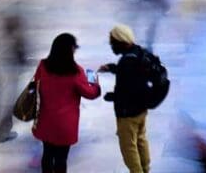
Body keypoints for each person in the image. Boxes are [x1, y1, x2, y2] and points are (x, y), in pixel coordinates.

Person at [32, 33, 101, 173]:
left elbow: (35, 84)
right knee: (61, 159)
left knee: (47, 154)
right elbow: (90, 93)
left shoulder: (43, 65)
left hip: (45, 120)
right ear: (70, 49)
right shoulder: (75, 72)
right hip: (65, 125)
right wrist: (94, 81)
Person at [99, 24, 152, 173]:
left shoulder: (126, 62)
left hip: (128, 112)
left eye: (112, 42)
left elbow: (128, 88)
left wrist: (112, 96)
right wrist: (112, 68)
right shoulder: (138, 52)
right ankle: (145, 169)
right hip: (141, 108)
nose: (111, 46)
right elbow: (134, 75)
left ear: (120, 41)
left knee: (128, 146)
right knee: (141, 139)